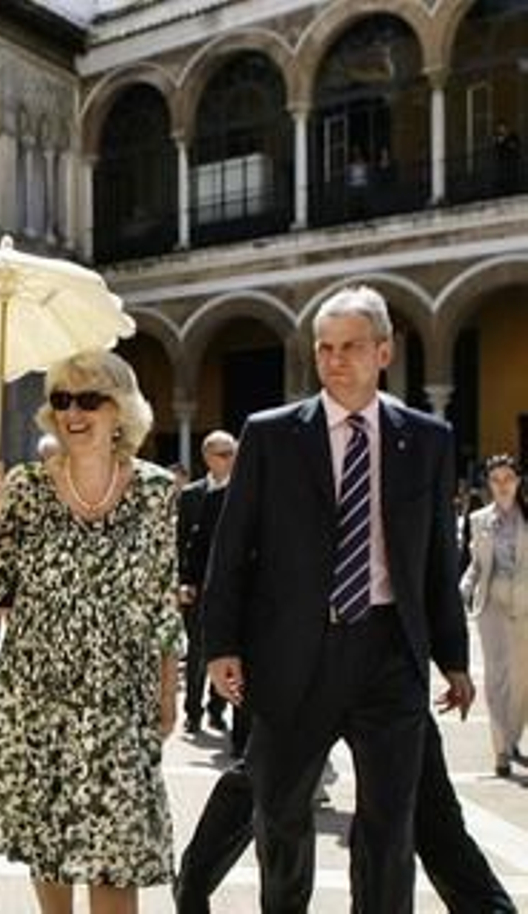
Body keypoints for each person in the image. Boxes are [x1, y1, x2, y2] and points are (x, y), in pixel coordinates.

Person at [203, 285, 473, 913]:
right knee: (282, 818)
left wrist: (452, 660)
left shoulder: (426, 440)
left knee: (388, 826)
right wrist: (221, 646)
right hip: (294, 654)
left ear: (384, 351)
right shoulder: (270, 435)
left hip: (388, 655)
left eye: (351, 347)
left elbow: (436, 561)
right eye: (325, 348)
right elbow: (232, 549)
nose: (334, 360)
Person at [0, 349, 181, 914]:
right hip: (36, 696)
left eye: (89, 400)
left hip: (116, 699)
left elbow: (161, 600)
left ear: (121, 410)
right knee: (48, 852)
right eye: (61, 400)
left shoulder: (155, 492)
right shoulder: (25, 487)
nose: (73, 413)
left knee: (116, 865)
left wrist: (168, 685)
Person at [175, 715, 517, 914]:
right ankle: (194, 880)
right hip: (307, 655)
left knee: (429, 800)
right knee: (263, 781)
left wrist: (449, 652)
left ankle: (488, 907)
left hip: (386, 655)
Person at [460, 453, 528, 778]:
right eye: (495, 479)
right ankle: (500, 749)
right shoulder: (478, 520)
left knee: (520, 681)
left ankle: (513, 738)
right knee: (495, 679)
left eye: (508, 479)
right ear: (488, 484)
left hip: (526, 608)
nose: (502, 485)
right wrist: (464, 586)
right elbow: (475, 564)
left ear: (518, 482)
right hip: (491, 608)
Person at [176, 431, 236, 737]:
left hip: (230, 590)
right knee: (197, 650)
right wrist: (182, 582)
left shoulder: (243, 493)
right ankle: (193, 713)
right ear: (207, 457)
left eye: (233, 453)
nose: (230, 460)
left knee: (224, 648)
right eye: (223, 454)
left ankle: (217, 709)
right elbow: (181, 541)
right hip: (197, 588)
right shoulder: (189, 496)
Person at [494, 121, 522, 195]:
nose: (500, 130)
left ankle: (513, 189)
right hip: (503, 160)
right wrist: (499, 142)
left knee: (512, 175)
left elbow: (514, 146)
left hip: (512, 159)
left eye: (501, 128)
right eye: (499, 129)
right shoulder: (499, 136)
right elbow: (497, 147)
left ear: (506, 128)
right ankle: (504, 189)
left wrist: (505, 141)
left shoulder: (513, 135)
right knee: (503, 175)